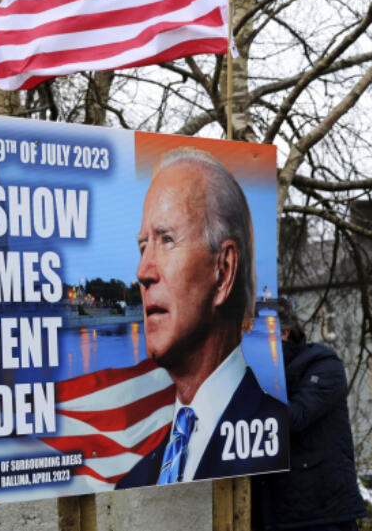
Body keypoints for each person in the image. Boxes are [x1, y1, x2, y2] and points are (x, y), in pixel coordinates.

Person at [116, 147, 286, 487]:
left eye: (166, 239)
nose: (142, 271)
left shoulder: (289, 442)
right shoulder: (133, 483)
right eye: (142, 247)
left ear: (223, 270)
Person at [253, 297, 367, 531]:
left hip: (320, 515)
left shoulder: (323, 364)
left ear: (283, 333)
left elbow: (293, 418)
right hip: (275, 514)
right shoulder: (258, 372)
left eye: (256, 336)